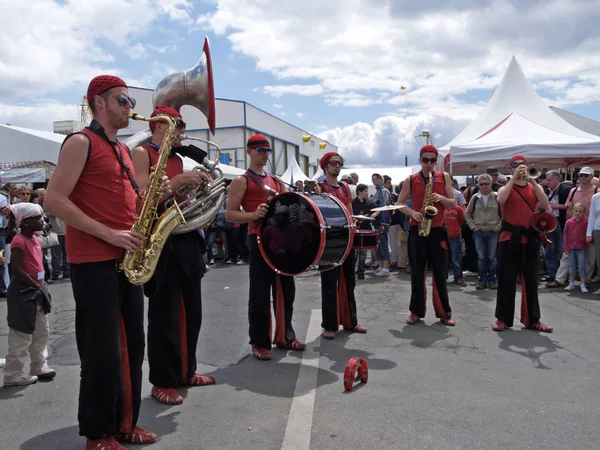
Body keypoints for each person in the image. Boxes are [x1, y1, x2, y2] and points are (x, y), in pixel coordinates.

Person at [45, 75, 169, 448]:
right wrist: (109, 234)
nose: (130, 107)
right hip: (95, 261)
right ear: (98, 102)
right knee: (101, 351)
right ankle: (99, 432)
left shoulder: (122, 150)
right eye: (123, 100)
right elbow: (54, 201)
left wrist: (154, 193)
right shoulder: (80, 142)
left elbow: (126, 203)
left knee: (132, 346)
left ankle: (125, 423)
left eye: (130, 101)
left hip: (126, 259)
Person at [131, 105, 215, 406]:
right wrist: (179, 183)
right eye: (178, 125)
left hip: (187, 240)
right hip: (161, 242)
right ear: (161, 126)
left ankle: (186, 370)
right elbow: (141, 199)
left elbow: (185, 201)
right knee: (164, 316)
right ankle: (163, 380)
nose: (183, 131)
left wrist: (200, 198)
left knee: (192, 313)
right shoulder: (142, 153)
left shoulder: (179, 158)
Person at [225, 134, 306, 360]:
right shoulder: (242, 180)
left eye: (267, 151)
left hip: (281, 241)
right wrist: (253, 214)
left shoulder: (276, 180)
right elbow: (229, 213)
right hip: (258, 239)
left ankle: (286, 336)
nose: (265, 155)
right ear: (249, 151)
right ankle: (259, 342)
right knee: (260, 292)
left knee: (286, 289)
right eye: (260, 150)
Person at [397, 145, 456, 326]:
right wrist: (413, 213)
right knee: (417, 273)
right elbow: (399, 203)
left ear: (436, 160)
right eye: (425, 160)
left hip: (438, 230)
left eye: (432, 160)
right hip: (418, 229)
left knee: (440, 273)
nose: (429, 164)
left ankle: (444, 313)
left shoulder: (444, 177)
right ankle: (416, 312)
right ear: (420, 160)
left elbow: (453, 203)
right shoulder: (411, 179)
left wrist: (441, 198)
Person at [492, 155, 552, 333]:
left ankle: (533, 319)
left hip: (529, 237)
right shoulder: (505, 187)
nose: (521, 168)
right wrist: (512, 180)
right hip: (509, 238)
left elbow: (545, 203)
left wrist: (532, 181)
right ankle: (502, 318)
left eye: (523, 165)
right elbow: (500, 200)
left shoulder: (536, 187)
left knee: (532, 280)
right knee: (507, 280)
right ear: (510, 169)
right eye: (516, 166)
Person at [3, 203, 55, 387]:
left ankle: (39, 365)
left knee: (42, 331)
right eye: (38, 217)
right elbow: (17, 270)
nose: (42, 221)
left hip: (37, 291)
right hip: (24, 292)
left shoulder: (34, 239)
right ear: (25, 222)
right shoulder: (18, 241)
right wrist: (35, 285)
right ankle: (13, 373)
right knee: (21, 335)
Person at [318, 152, 367, 338]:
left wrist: (354, 221)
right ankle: (329, 325)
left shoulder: (346, 187)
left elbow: (350, 210)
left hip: (347, 237)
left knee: (349, 282)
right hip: (330, 240)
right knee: (329, 283)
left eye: (340, 163)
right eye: (333, 163)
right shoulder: (320, 186)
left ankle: (350, 321)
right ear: (325, 166)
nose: (337, 166)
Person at [465, 174, 502, 290]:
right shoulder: (475, 197)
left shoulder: (497, 197)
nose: (484, 186)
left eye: (486, 184)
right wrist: (473, 226)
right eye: (481, 184)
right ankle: (482, 280)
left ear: (491, 184)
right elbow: (467, 213)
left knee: (492, 257)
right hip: (479, 231)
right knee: (481, 257)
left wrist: (498, 226)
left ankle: (492, 280)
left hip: (493, 230)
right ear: (478, 185)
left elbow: (505, 214)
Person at [352, 184, 376, 280]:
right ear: (359, 192)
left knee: (363, 252)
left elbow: (378, 209)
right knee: (355, 252)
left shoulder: (369, 202)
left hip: (366, 228)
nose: (367, 193)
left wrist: (372, 216)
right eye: (365, 191)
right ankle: (351, 270)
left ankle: (361, 271)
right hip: (356, 229)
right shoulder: (353, 202)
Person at [564, 203, 589, 293]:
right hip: (571, 247)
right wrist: (566, 247)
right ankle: (571, 283)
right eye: (576, 211)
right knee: (572, 266)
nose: (578, 213)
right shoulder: (569, 222)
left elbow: (587, 234)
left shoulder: (586, 222)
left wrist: (585, 245)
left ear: (584, 213)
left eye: (580, 211)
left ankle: (583, 284)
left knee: (582, 266)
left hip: (581, 248)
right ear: (573, 210)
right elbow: (565, 235)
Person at [371, 173, 391, 277]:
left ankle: (385, 267)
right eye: (373, 179)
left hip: (382, 221)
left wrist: (383, 222)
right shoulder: (377, 191)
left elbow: (384, 208)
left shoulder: (383, 191)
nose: (374, 181)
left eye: (376, 179)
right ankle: (381, 266)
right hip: (377, 221)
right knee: (378, 244)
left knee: (383, 243)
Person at [444, 203, 466, 286]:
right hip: (443, 234)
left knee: (456, 258)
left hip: (455, 235)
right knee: (443, 258)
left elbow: (462, 220)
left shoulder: (458, 208)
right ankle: (443, 277)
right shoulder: (441, 207)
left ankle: (459, 277)